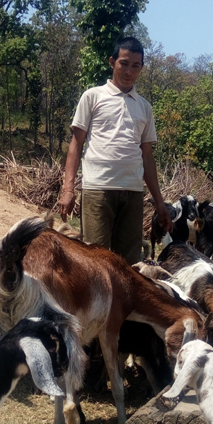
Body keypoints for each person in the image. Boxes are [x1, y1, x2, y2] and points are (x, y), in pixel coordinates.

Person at [58, 37, 173, 264]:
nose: (129, 71)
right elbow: (76, 144)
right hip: (98, 189)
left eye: (135, 66)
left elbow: (147, 157)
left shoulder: (144, 108)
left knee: (128, 265)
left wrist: (159, 203)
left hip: (132, 193)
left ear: (141, 68)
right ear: (112, 62)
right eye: (123, 63)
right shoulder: (92, 97)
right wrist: (68, 189)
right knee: (95, 262)